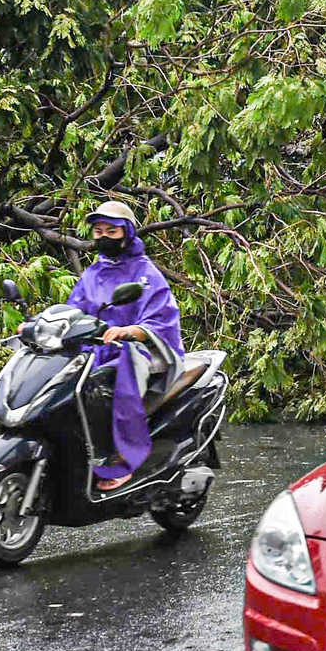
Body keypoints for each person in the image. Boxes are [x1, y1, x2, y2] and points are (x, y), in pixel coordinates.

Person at [68, 200, 184, 492]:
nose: (104, 237)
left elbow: (162, 317)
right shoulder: (92, 274)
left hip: (137, 349)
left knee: (125, 375)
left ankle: (124, 459)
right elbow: (73, 310)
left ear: (128, 233)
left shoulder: (146, 273)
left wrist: (129, 331)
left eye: (112, 230)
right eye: (98, 231)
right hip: (96, 348)